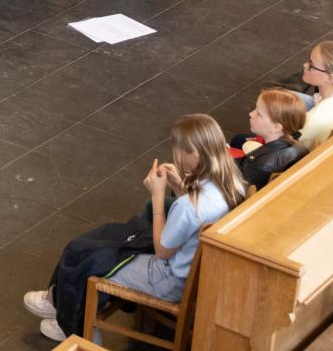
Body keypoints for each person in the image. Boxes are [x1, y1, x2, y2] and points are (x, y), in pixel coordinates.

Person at [24, 114, 245, 343]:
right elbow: (192, 223)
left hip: (167, 278)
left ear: (195, 154)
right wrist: (180, 187)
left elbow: (163, 251)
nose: (175, 153)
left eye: (178, 148)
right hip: (194, 272)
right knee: (104, 241)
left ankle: (78, 330)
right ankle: (60, 305)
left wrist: (157, 196)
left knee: (91, 263)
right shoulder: (231, 183)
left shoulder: (189, 206)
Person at [237, 88, 308, 189]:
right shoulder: (300, 146)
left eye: (259, 114)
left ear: (276, 127)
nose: (251, 114)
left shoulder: (259, 166)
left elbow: (242, 189)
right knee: (239, 139)